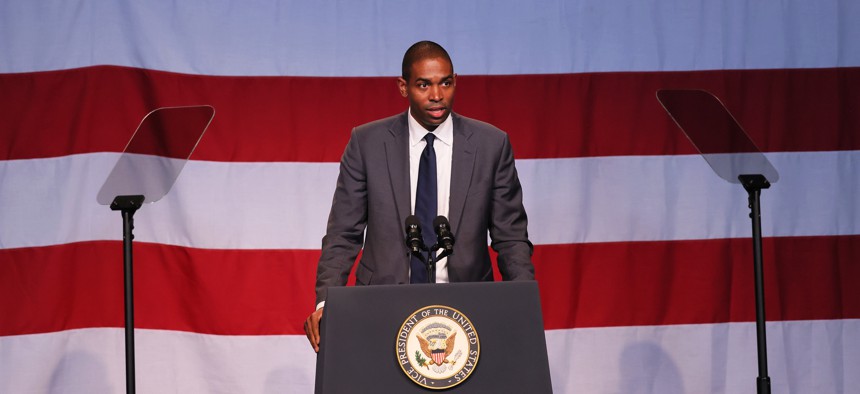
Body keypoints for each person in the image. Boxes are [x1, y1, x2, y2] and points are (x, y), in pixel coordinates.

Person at [304, 41, 534, 352]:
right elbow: (344, 234)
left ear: (455, 82)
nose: (437, 95)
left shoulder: (490, 145)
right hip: (382, 306)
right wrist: (325, 302)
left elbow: (511, 238)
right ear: (403, 87)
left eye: (446, 83)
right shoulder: (367, 143)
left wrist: (523, 304)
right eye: (424, 84)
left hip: (467, 308)